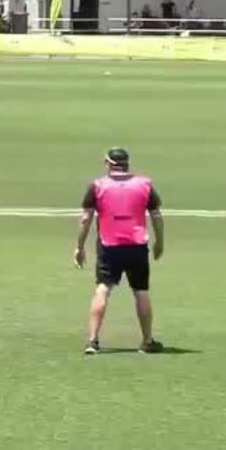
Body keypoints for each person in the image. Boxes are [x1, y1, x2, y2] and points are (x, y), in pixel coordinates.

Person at [74, 147, 165, 355]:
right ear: (127, 164)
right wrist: (160, 242)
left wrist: (79, 247)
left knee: (103, 289)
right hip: (137, 246)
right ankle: (147, 341)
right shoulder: (144, 184)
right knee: (141, 291)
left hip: (109, 246)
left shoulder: (98, 186)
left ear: (108, 164)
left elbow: (86, 218)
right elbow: (157, 215)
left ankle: (92, 341)